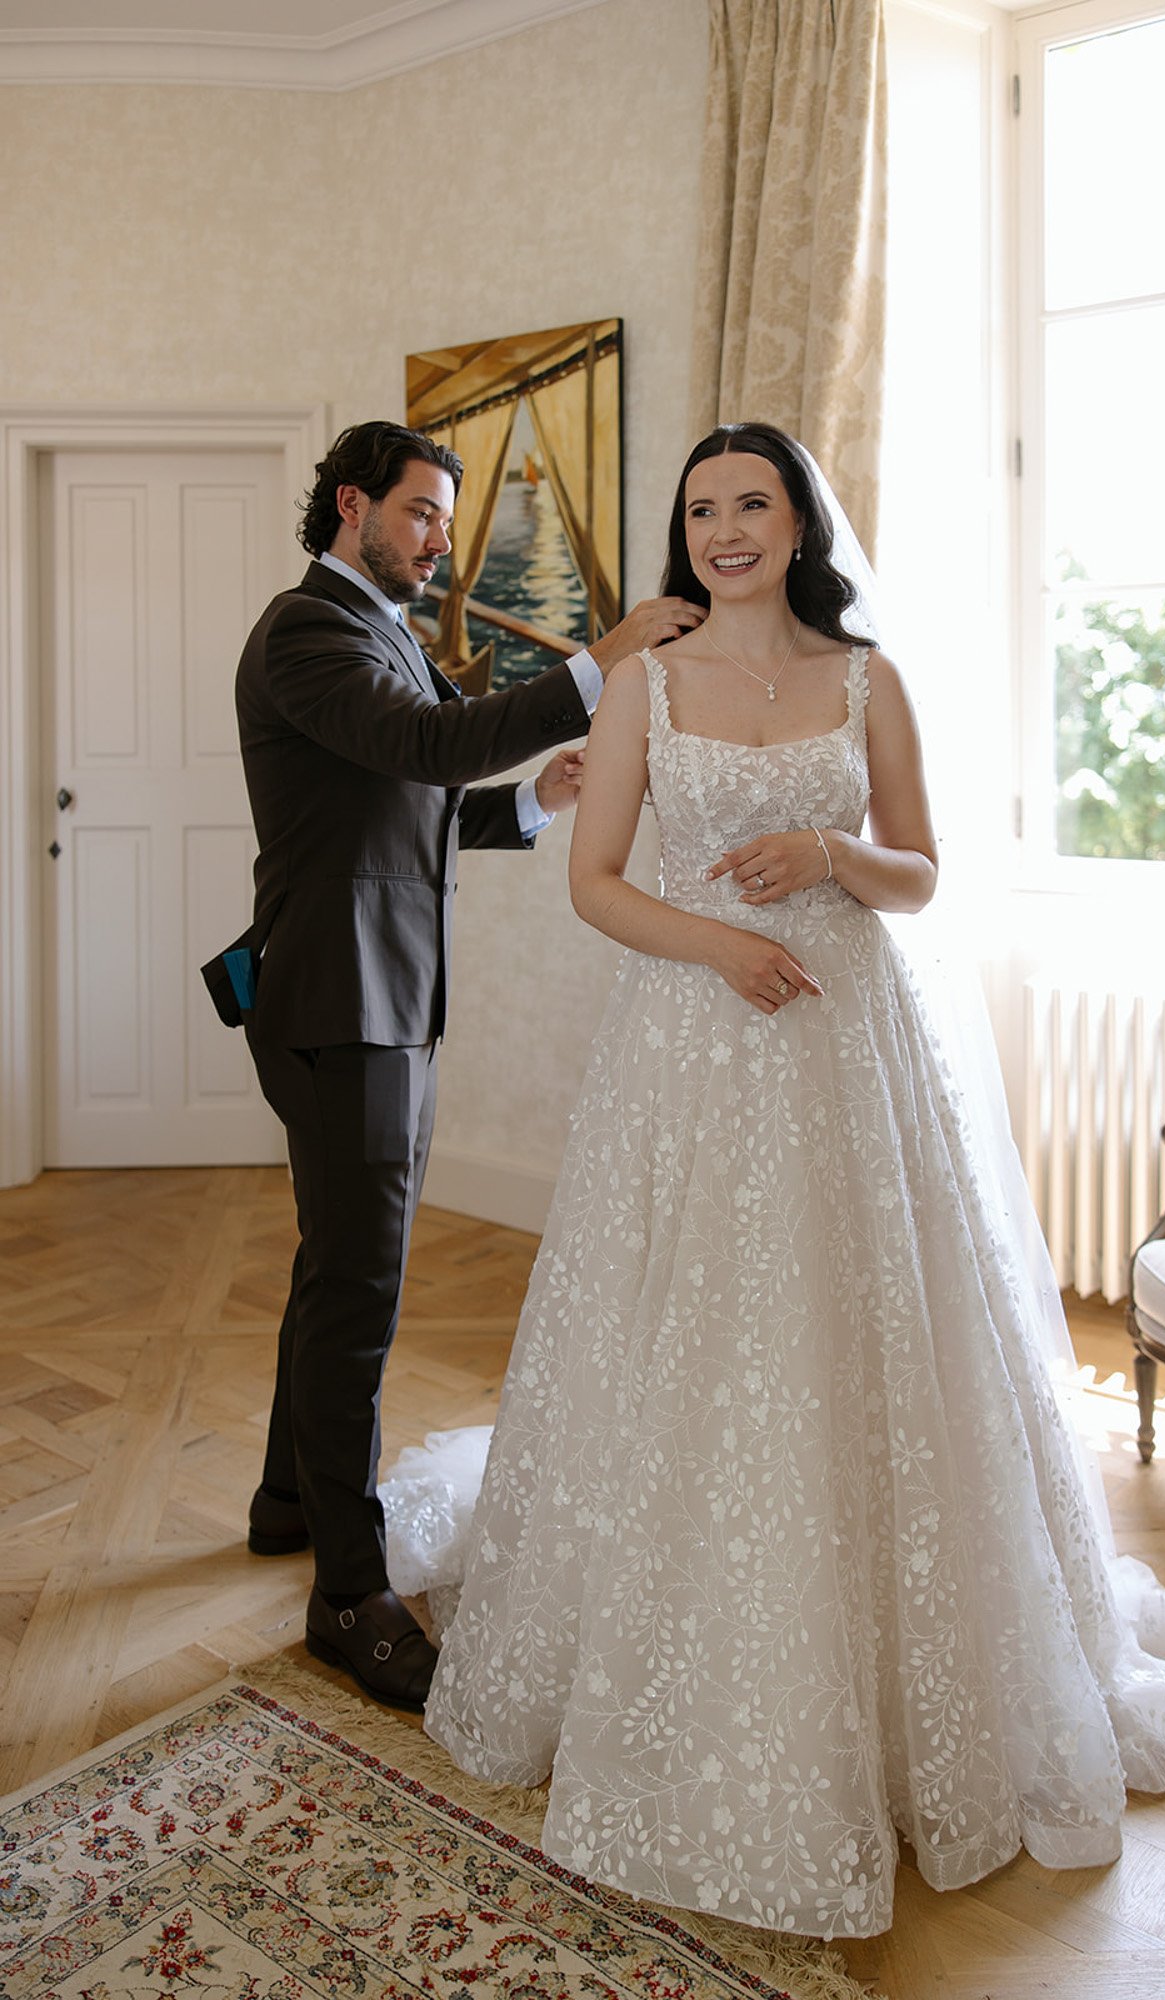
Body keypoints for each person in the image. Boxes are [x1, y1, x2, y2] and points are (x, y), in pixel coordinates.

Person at [383, 422, 1165, 1937]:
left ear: (799, 523)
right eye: (700, 509)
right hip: (692, 1040)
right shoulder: (652, 683)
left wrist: (829, 853)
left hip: (850, 1040)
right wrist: (724, 942)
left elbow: (924, 870)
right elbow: (596, 880)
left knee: (866, 1329)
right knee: (688, 1328)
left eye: (751, 502)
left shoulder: (867, 679)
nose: (725, 528)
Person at [201, 419, 701, 1712]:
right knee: (360, 1285)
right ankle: (346, 1598)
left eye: (444, 522)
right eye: (420, 515)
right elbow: (425, 753)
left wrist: (536, 795)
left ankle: (280, 1506)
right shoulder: (306, 631)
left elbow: (416, 803)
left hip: (373, 996)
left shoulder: (382, 639)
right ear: (352, 505)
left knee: (335, 1263)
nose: (437, 543)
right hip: (334, 1001)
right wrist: (602, 664)